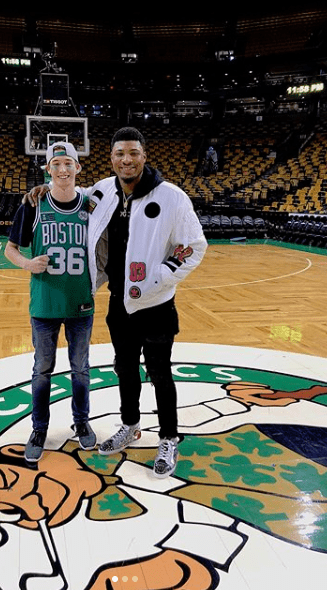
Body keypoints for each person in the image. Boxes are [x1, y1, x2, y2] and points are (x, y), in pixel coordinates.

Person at [24, 127, 208, 477]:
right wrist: (46, 188)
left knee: (160, 373)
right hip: (118, 302)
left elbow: (194, 246)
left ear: (144, 156)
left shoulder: (172, 197)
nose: (126, 160)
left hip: (156, 305)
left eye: (133, 153)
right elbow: (72, 193)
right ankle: (130, 425)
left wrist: (159, 277)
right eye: (120, 154)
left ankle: (168, 437)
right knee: (124, 369)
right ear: (111, 158)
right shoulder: (103, 190)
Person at [5, 141, 96, 462]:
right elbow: (11, 249)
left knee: (81, 369)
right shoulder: (34, 205)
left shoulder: (91, 206)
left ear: (78, 168)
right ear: (47, 169)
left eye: (68, 163)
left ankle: (81, 422)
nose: (62, 169)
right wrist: (27, 263)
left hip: (81, 303)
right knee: (42, 370)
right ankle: (39, 428)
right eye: (56, 164)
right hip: (44, 304)